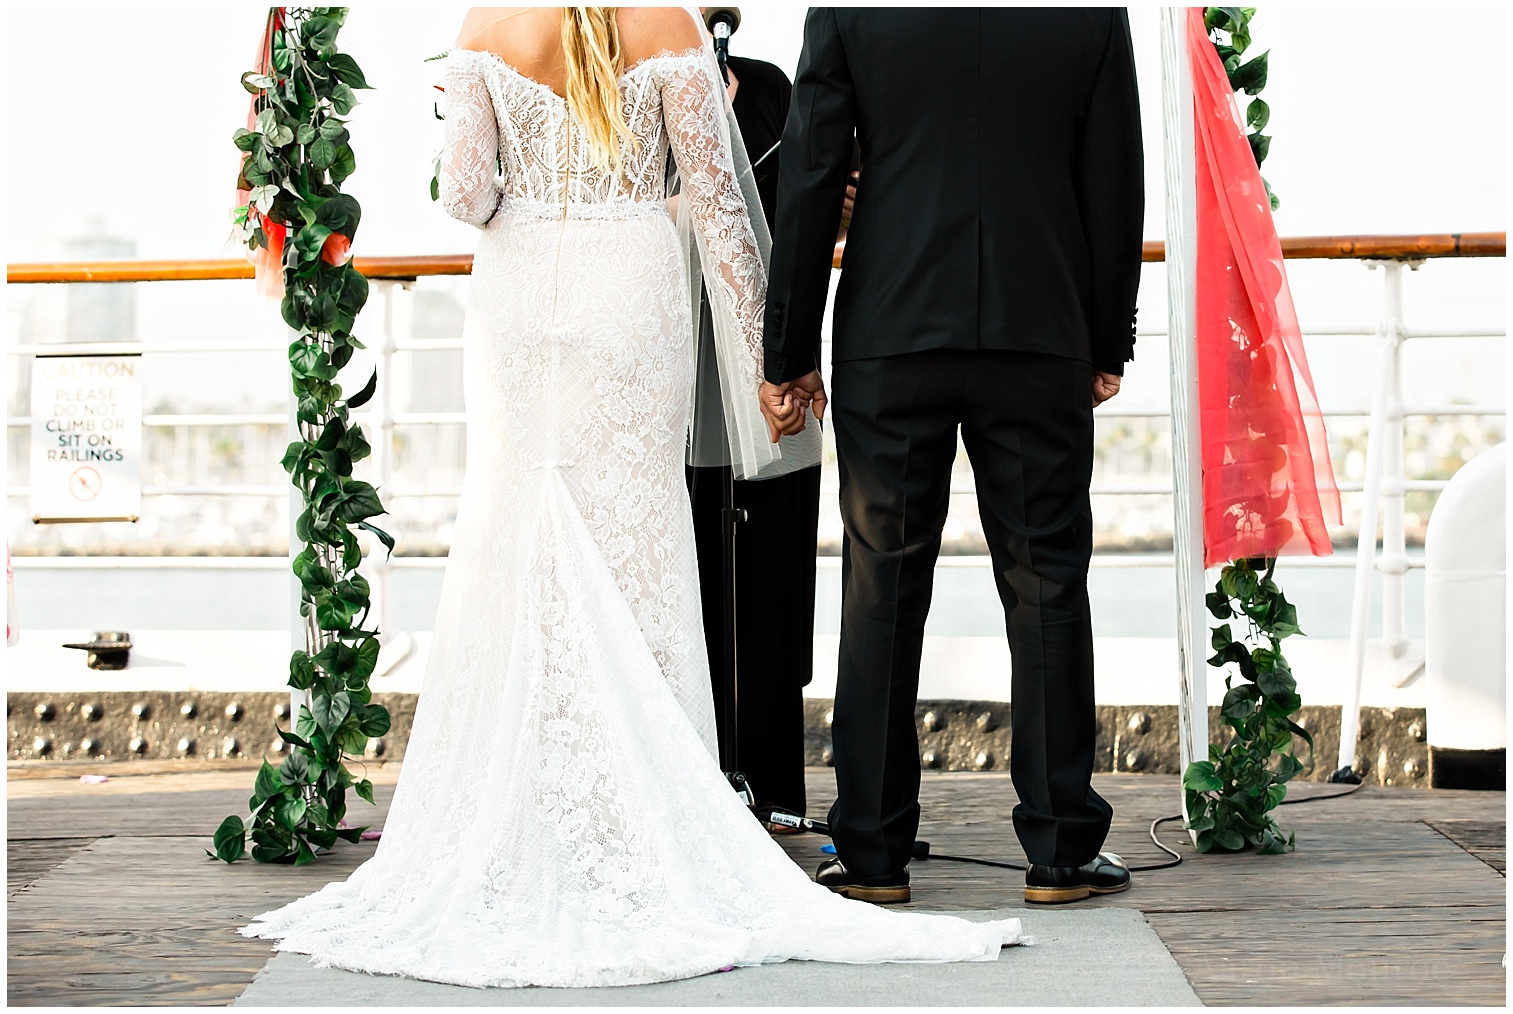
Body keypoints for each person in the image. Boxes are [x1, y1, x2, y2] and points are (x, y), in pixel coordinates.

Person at [242, 7, 1023, 988]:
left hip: (519, 302)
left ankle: (511, 812)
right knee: (637, 538)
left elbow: (468, 197)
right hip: (631, 289)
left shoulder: (488, 20)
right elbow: (725, 212)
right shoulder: (669, 24)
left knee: (510, 531)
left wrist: (474, 129)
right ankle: (637, 815)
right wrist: (769, 365)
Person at [760, 9, 1144, 906]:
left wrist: (787, 353)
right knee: (1046, 579)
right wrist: (1106, 338)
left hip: (892, 328)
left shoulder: (851, 9)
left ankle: (869, 853)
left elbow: (813, 172)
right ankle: (1060, 851)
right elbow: (1113, 177)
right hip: (1037, 325)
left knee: (879, 587)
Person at [684, 12, 852, 829]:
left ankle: (777, 787)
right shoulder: (625, 84)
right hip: (673, 368)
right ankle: (693, 778)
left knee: (775, 567)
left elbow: (796, 219)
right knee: (687, 564)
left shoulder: (773, 87)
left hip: (764, 370)